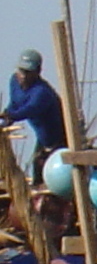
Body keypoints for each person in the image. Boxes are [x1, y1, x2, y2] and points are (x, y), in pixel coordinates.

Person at [4, 51, 66, 180]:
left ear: (37, 72)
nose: (23, 76)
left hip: (60, 139)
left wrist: (10, 116)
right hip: (43, 139)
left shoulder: (42, 92)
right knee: (37, 170)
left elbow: (29, 110)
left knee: (56, 174)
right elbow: (15, 104)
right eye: (21, 71)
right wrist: (5, 119)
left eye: (28, 72)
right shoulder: (14, 82)